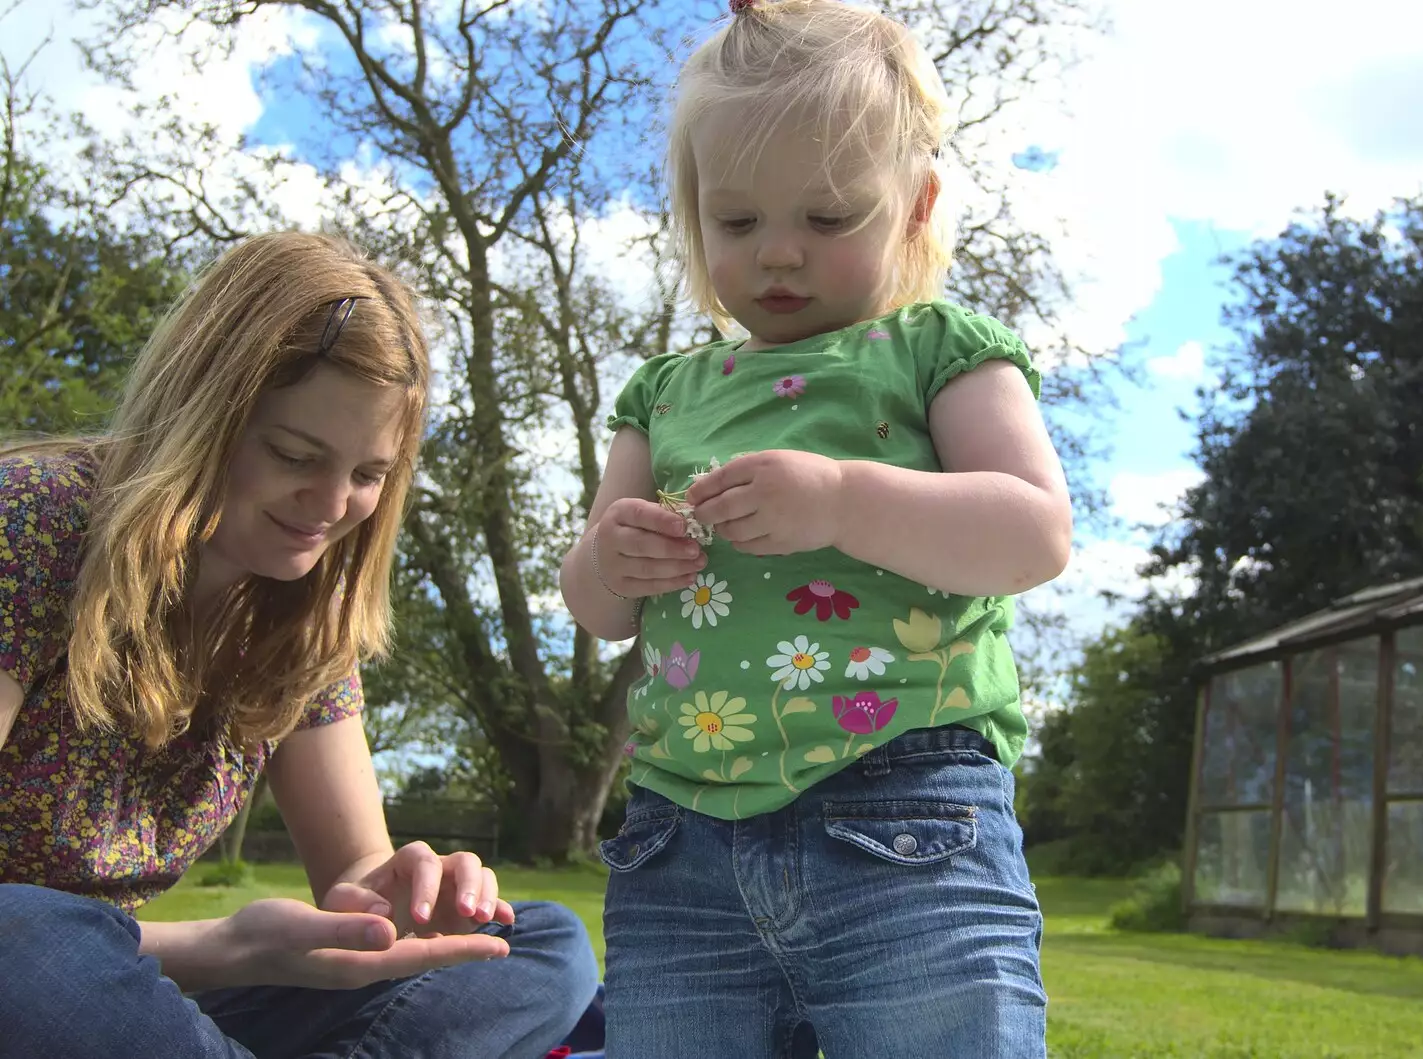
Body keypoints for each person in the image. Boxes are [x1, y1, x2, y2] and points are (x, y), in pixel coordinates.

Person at [558, 1, 1071, 1055]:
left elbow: (1032, 534)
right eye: (738, 223)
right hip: (677, 848)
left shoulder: (939, 349)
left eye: (829, 218)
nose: (779, 255)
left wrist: (843, 499)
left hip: (911, 816)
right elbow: (599, 608)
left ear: (916, 205)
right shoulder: (663, 393)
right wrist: (613, 556)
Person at [0, 231, 600, 1059]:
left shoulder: (304, 610)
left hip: (138, 1000)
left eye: (367, 473)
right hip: (42, 973)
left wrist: (408, 897)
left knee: (541, 942)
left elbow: (356, 881)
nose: (329, 503)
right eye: (294, 455)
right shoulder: (31, 522)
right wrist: (222, 948)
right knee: (25, 934)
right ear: (204, 413)